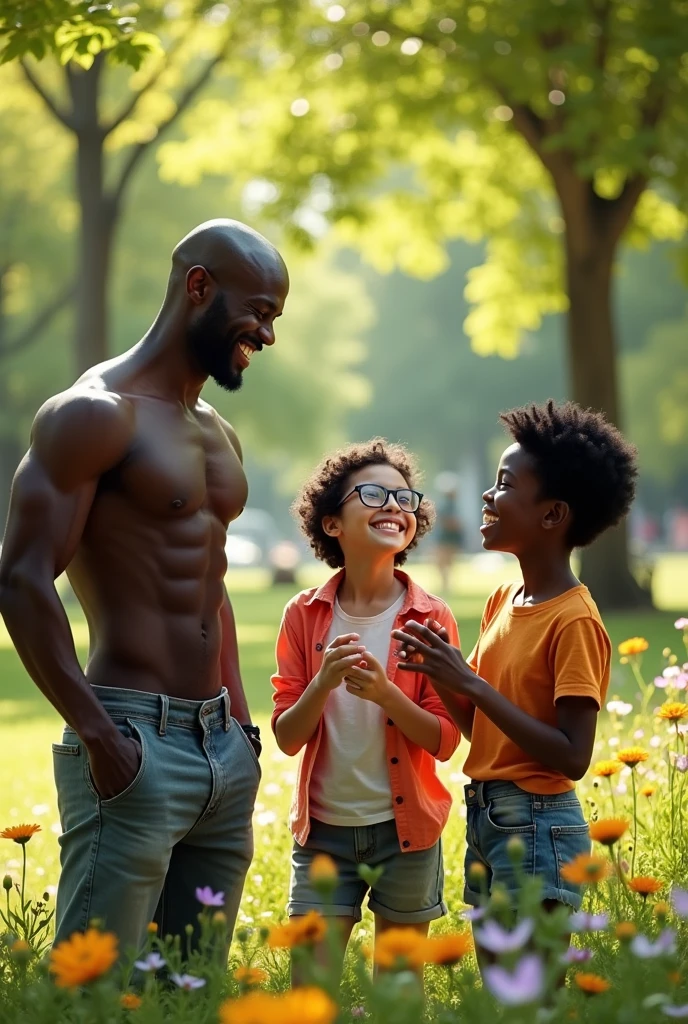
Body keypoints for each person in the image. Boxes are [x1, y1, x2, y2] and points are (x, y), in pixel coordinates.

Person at [0, 219, 289, 960]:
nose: (267, 334)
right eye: (258, 311)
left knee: (191, 989)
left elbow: (211, 583)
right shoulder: (94, 415)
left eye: (275, 317)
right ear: (199, 287)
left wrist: (245, 732)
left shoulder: (219, 432)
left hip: (222, 745)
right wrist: (100, 735)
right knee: (91, 992)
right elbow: (23, 578)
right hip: (131, 739)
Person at [393, 401, 637, 936]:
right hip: (488, 815)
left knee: (529, 999)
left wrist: (470, 681)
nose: (488, 494)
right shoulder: (505, 597)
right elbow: (479, 727)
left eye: (505, 484)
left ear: (552, 515)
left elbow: (572, 756)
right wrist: (440, 670)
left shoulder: (574, 620)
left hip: (538, 825)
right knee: (499, 991)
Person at [271, 439, 461, 978]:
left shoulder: (431, 616)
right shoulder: (304, 614)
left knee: (398, 992)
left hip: (408, 832)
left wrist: (386, 694)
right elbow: (287, 737)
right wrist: (324, 681)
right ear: (332, 523)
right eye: (375, 493)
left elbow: (446, 739)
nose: (395, 506)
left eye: (406, 498)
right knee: (312, 991)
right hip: (324, 834)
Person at [433, 475, 463, 596]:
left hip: (447, 539)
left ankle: (446, 585)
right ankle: (445, 585)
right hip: (445, 539)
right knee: (443, 564)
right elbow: (449, 522)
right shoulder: (447, 505)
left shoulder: (450, 504)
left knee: (445, 564)